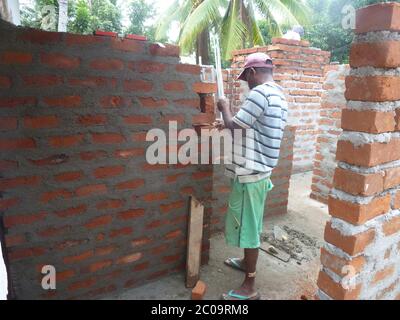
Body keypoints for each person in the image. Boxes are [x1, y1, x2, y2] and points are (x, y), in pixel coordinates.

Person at [216, 52, 288, 300]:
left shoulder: (259, 93)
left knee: (248, 228)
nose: (246, 82)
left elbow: (235, 129)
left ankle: (250, 286)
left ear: (253, 73)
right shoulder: (279, 94)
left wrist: (225, 110)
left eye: (246, 77)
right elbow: (252, 127)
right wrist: (229, 121)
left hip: (251, 172)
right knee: (251, 222)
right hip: (261, 169)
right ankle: (247, 263)